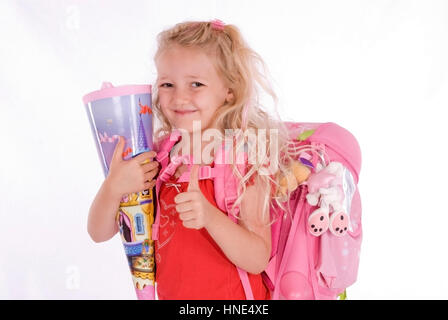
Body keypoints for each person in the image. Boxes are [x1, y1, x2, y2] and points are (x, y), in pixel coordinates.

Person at [88, 19, 297, 300]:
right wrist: (113, 187)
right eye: (167, 84)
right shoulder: (158, 158)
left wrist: (210, 216)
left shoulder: (243, 159)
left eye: (196, 84)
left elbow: (257, 258)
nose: (179, 97)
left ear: (229, 90)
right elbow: (99, 232)